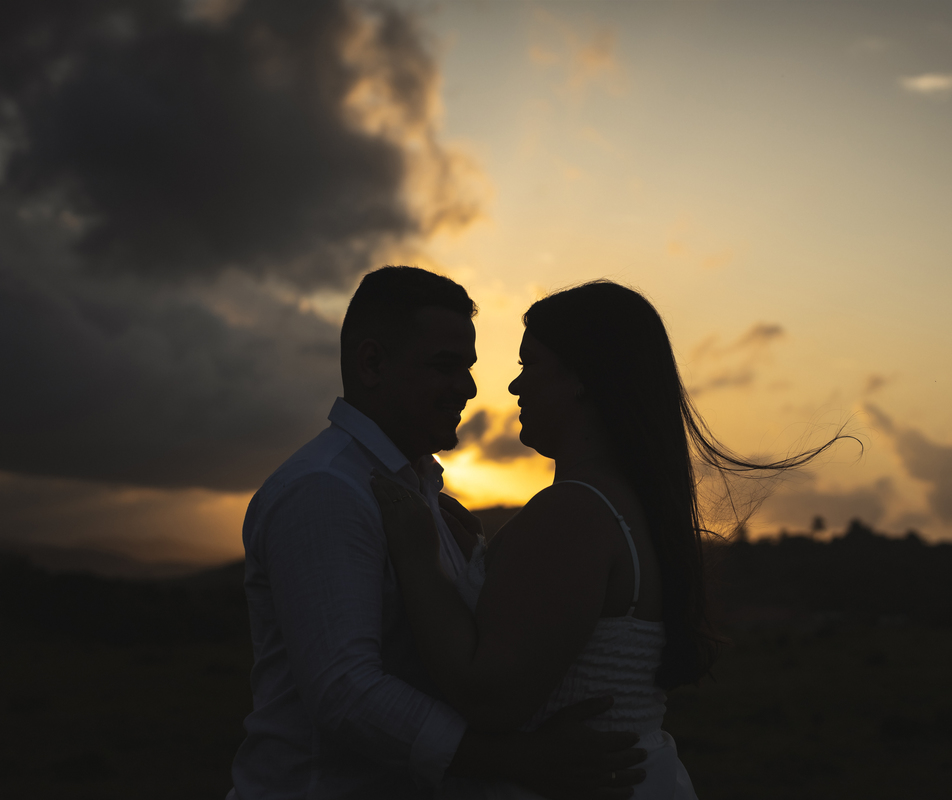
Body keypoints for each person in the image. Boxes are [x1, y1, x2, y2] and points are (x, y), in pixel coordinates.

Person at [372, 280, 851, 798]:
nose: (514, 386)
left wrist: (420, 557)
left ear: (581, 377)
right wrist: (479, 565)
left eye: (529, 364)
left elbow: (488, 697)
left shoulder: (573, 513)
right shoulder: (627, 505)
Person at [228, 267, 647, 800]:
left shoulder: (418, 492)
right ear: (372, 364)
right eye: (446, 366)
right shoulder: (325, 489)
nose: (469, 388)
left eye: (468, 368)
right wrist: (516, 759)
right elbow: (345, 691)